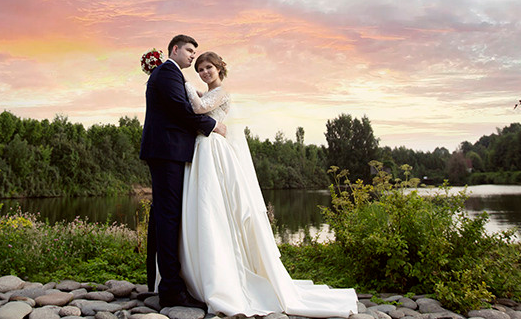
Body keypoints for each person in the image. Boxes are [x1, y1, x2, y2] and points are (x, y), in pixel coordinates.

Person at [179, 51, 358, 318]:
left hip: (215, 150)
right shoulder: (208, 92)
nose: (204, 73)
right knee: (206, 206)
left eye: (208, 68)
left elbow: (197, 109)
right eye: (200, 70)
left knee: (216, 203)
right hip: (203, 147)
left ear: (219, 69)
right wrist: (209, 120)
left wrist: (186, 86)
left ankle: (229, 279)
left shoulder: (221, 93)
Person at [139, 34, 227, 309]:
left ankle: (163, 282)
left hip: (170, 153)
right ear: (174, 49)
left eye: (195, 52)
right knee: (168, 217)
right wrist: (211, 126)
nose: (192, 56)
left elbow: (181, 107)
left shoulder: (171, 75)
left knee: (167, 216)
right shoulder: (167, 74)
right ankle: (171, 290)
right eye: (189, 51)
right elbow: (179, 110)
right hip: (167, 153)